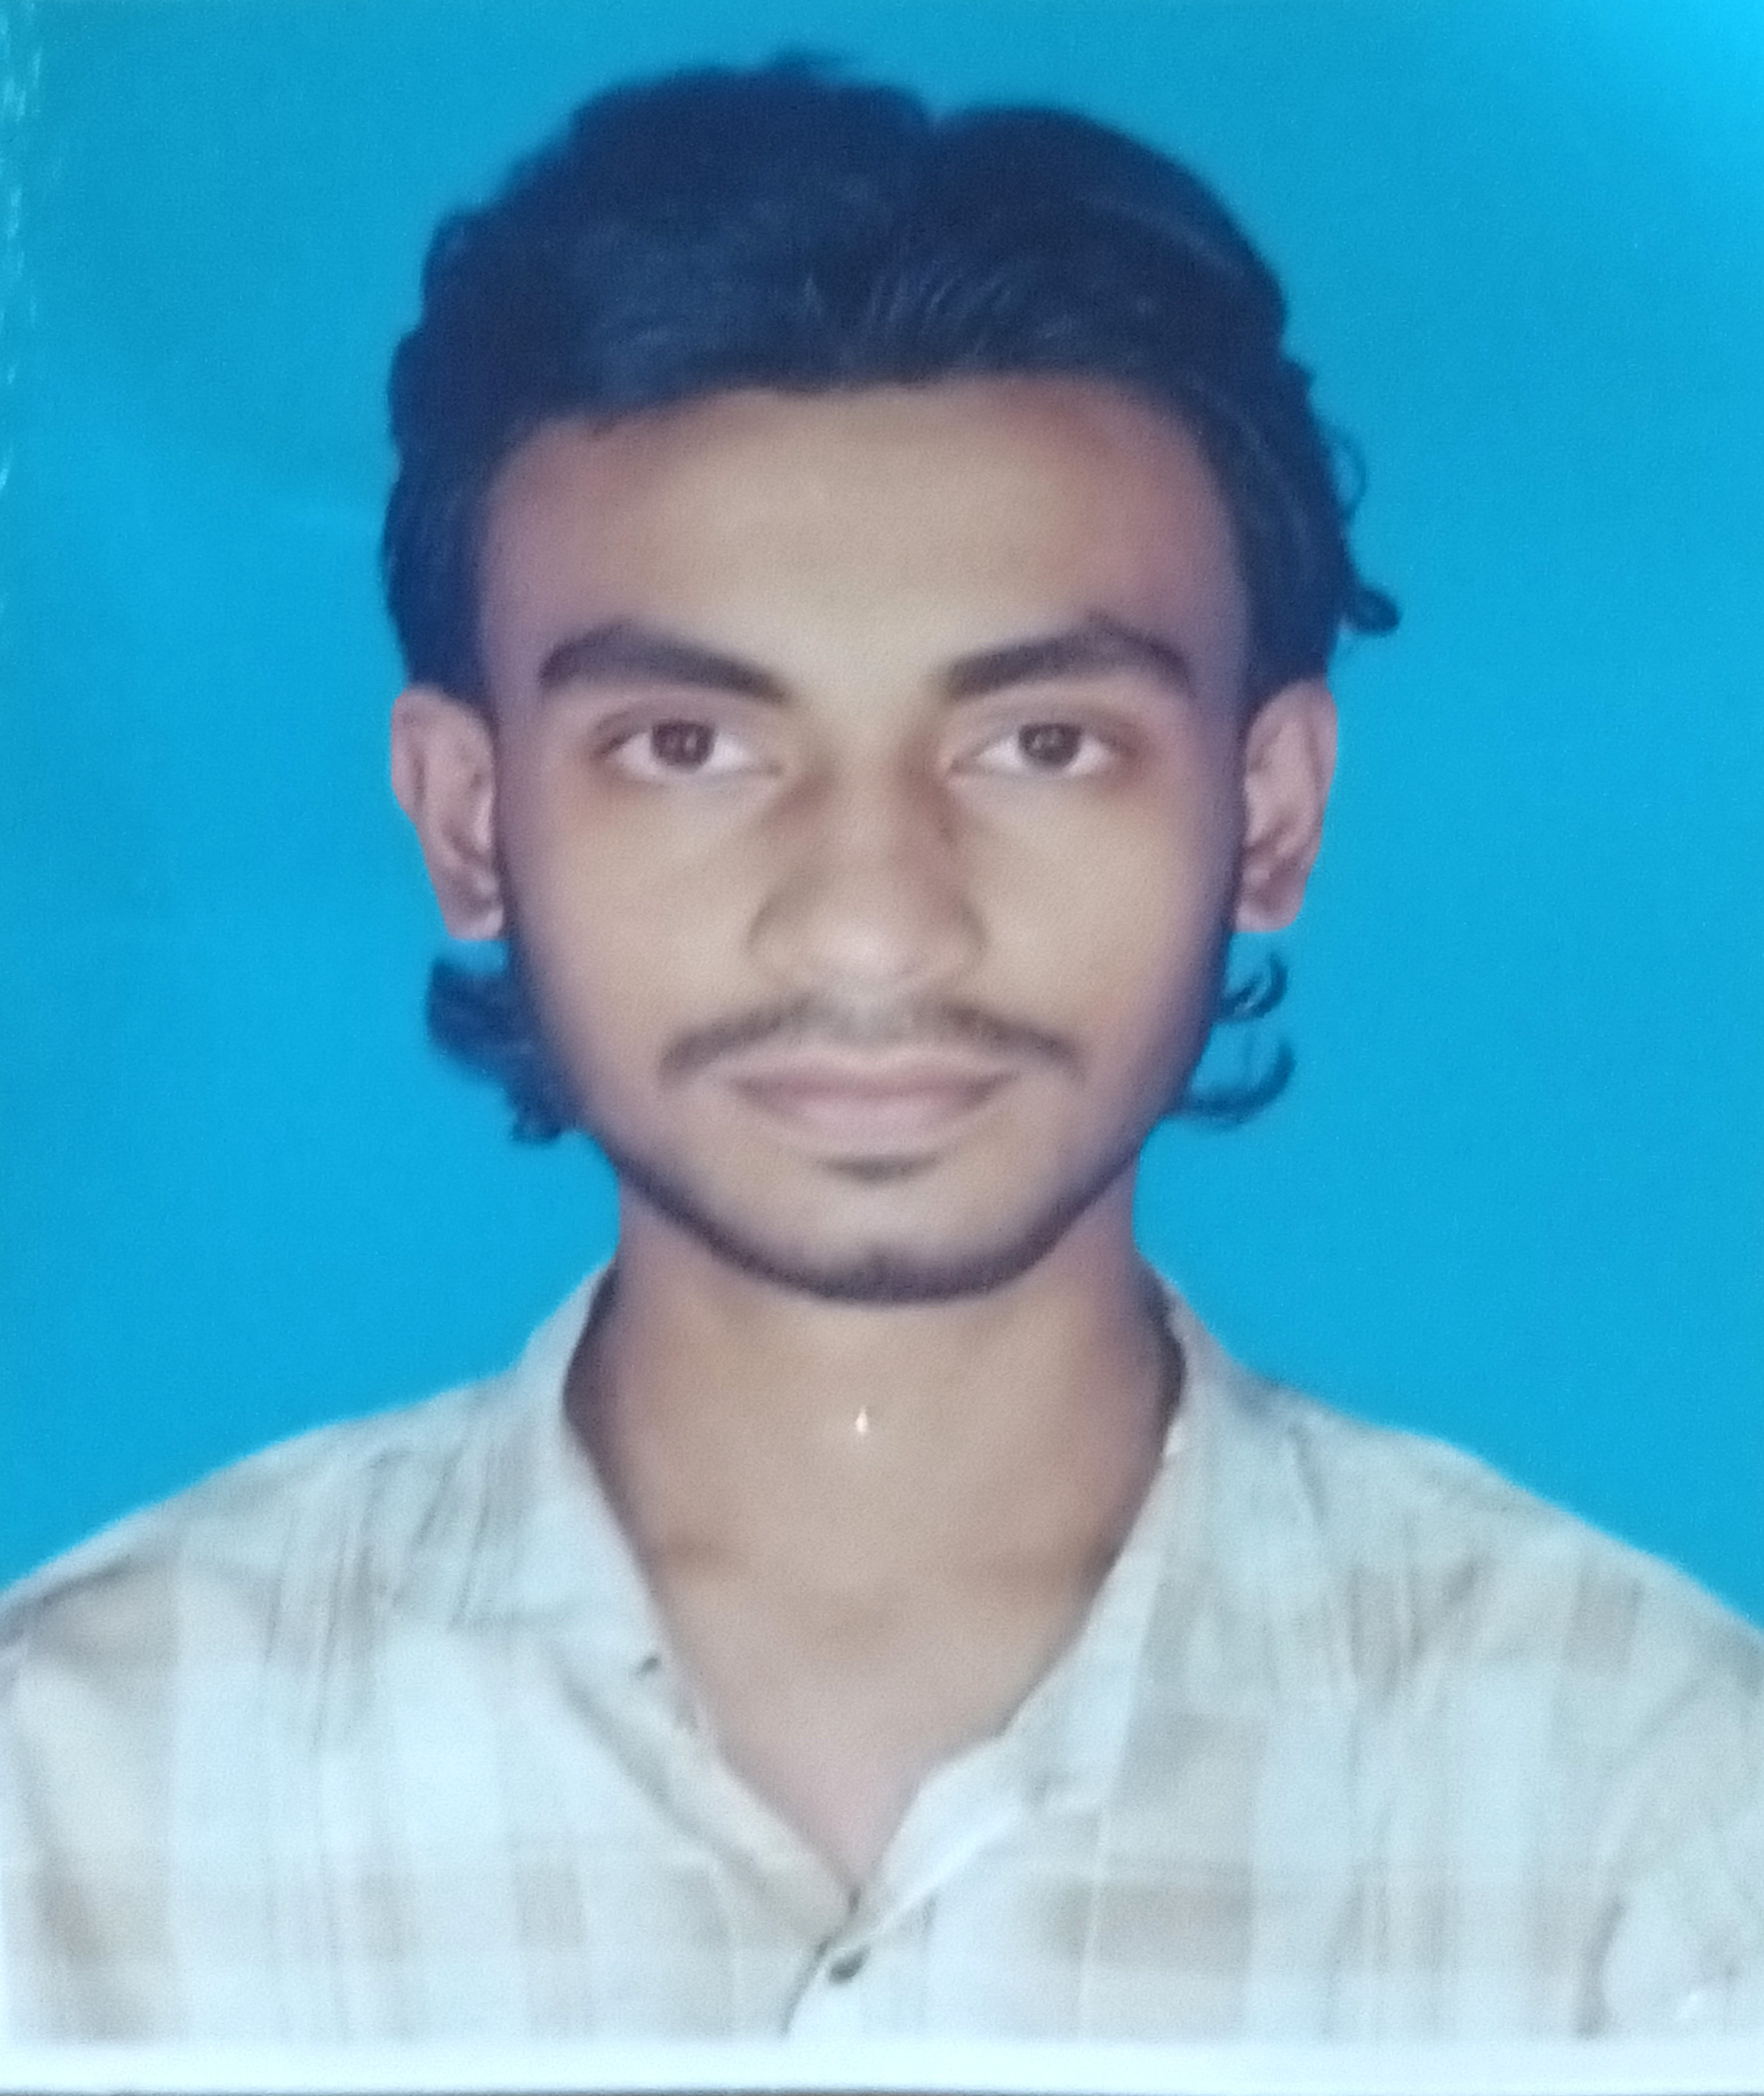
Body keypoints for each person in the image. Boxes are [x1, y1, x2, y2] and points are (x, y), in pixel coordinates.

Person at [1, 58, 1759, 2046]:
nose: (871, 925)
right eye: (687, 745)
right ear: (470, 820)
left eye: (1042, 745)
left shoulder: (1654, 1825)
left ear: (1268, 812)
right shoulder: (67, 1805)